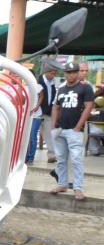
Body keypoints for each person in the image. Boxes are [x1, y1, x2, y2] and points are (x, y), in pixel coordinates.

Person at [50, 61, 95, 201]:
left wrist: (78, 127)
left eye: (73, 72)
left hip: (75, 130)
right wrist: (53, 126)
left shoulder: (85, 88)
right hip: (60, 130)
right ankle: (62, 184)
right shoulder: (61, 89)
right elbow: (56, 107)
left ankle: (78, 188)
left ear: (78, 73)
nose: (70, 75)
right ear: (65, 73)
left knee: (76, 160)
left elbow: (88, 107)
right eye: (68, 72)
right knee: (61, 160)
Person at [38, 62, 58, 164]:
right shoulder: (38, 80)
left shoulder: (54, 83)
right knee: (31, 134)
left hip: (48, 112)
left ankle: (52, 155)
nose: (53, 75)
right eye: (51, 73)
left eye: (54, 73)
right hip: (36, 112)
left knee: (50, 134)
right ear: (46, 72)